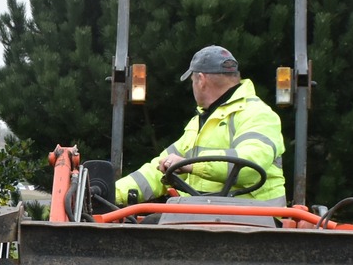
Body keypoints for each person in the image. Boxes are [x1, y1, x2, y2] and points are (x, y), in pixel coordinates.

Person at [114, 45, 286, 205]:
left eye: (192, 81)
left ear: (201, 80)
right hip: (203, 216)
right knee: (150, 225)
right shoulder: (199, 123)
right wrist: (111, 192)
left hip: (257, 222)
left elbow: (250, 165)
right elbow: (157, 169)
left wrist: (191, 165)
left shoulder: (258, 114)